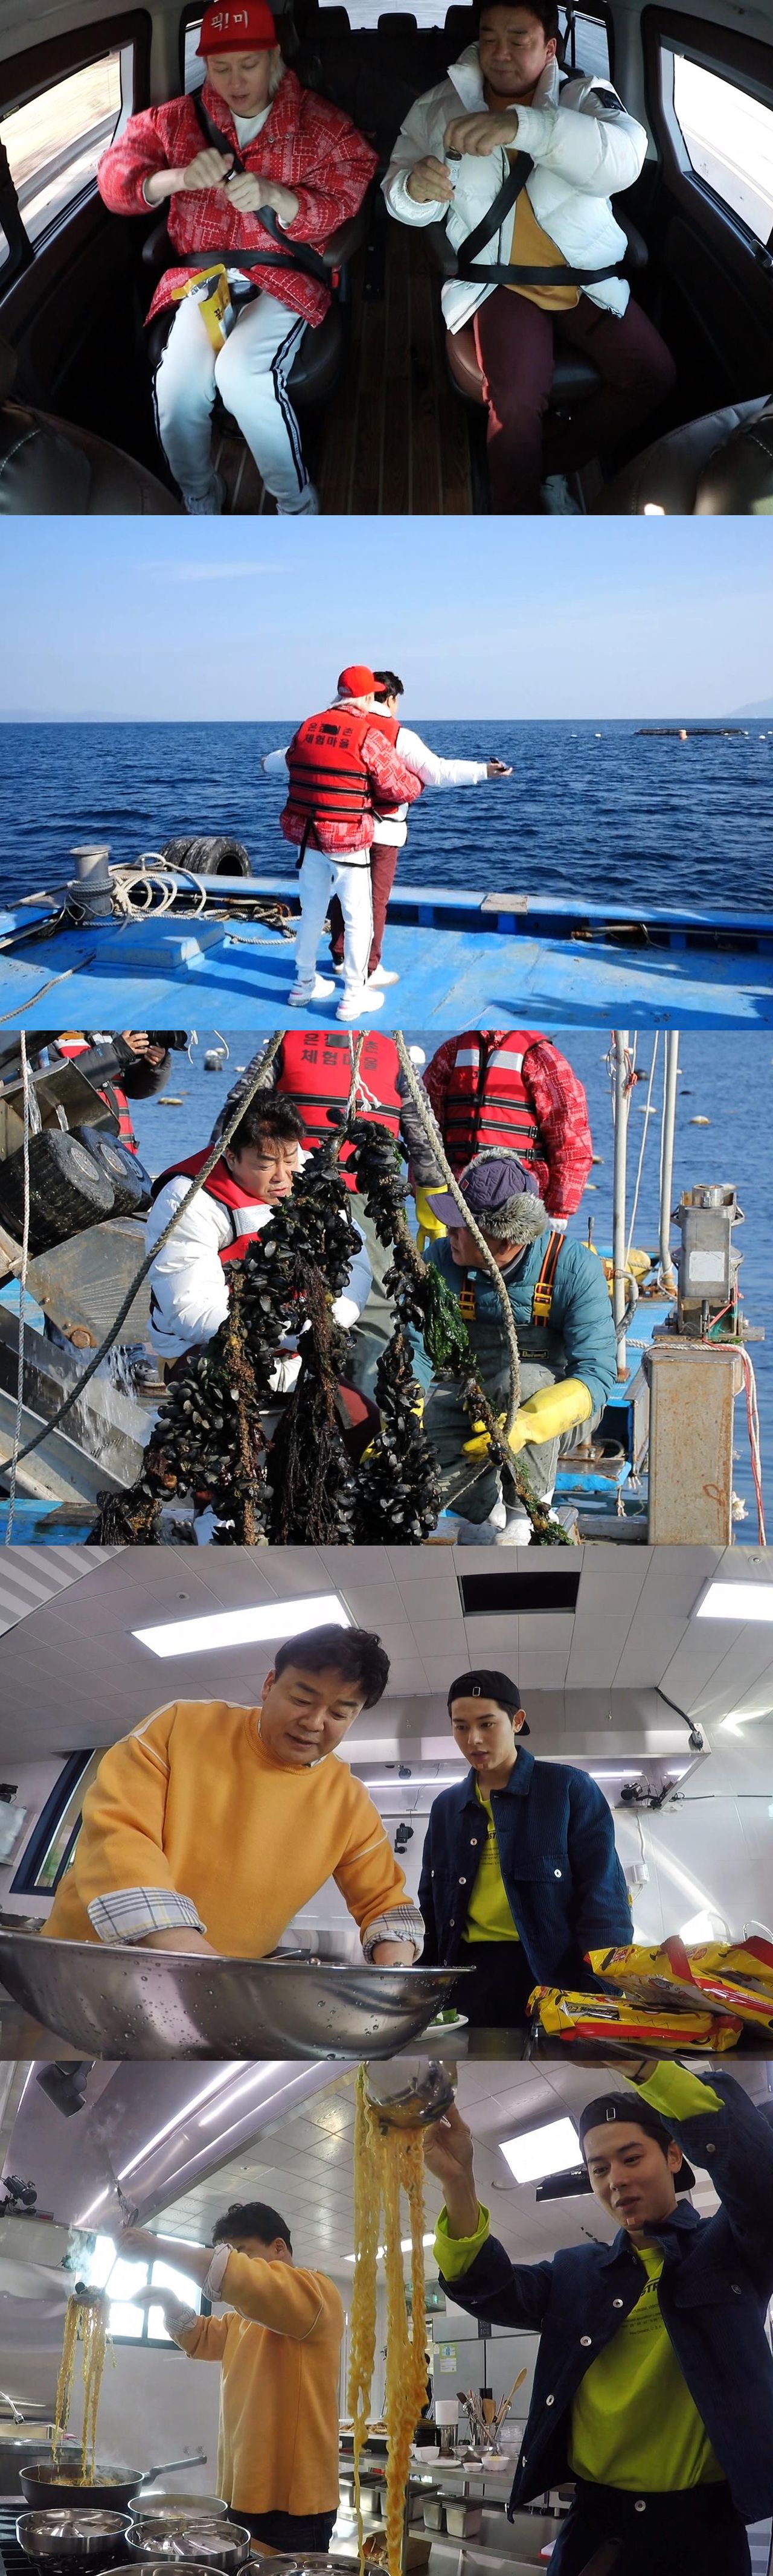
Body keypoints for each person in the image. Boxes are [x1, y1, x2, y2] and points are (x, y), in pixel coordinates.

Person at [424, 2063, 773, 2574]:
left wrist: (647, 2065)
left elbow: (761, 2183)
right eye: (599, 2169)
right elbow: (487, 2285)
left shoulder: (729, 2248)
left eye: (632, 2158)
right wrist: (458, 2183)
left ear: (675, 2155)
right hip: (596, 2524)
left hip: (703, 2527)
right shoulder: (575, 2273)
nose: (617, 2180)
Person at [383, 0, 676, 514]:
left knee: (652, 374)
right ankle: (514, 517)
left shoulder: (584, 98)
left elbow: (625, 158)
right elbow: (399, 199)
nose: (500, 52)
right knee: (516, 404)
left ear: (550, 47)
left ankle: (552, 465)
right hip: (498, 281)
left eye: (518, 39)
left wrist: (528, 128)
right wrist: (413, 189)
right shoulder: (436, 107)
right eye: (489, 36)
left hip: (584, 277)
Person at [97, 0, 376, 515]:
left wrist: (277, 196)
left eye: (248, 64)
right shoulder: (176, 122)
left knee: (245, 376)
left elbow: (348, 197)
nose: (235, 80)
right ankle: (200, 494)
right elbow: (115, 178)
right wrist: (174, 179)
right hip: (204, 280)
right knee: (177, 385)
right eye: (221, 67)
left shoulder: (323, 125)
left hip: (284, 277)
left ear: (274, 57)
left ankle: (295, 505)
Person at [42, 1620, 424, 1962]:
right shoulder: (182, 1727)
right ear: (269, 1684)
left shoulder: (349, 1801)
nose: (313, 1722)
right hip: (90, 1961)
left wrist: (394, 1980)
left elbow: (384, 1903)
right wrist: (193, 1955)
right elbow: (119, 1835)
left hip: (217, 1996)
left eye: (340, 1714)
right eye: (302, 1700)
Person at [416, 1146, 617, 1540]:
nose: (450, 1234)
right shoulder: (440, 1259)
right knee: (416, 1451)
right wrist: (405, 1412)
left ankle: (528, 1512)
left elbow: (596, 1376)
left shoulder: (574, 1267)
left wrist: (530, 1424)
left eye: (463, 1227)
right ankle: (487, 1509)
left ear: (505, 1237)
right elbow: (417, 1349)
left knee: (522, 1382)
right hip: (468, 1397)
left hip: (548, 1409)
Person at [210, 1034, 425, 1397]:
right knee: (300, 1292)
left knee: (370, 1307)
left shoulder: (390, 1049)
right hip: (295, 1196)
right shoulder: (288, 1041)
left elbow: (237, 1107)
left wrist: (432, 1187)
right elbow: (243, 1112)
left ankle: (355, 1403)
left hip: (364, 1201)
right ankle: (308, 1390)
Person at [122, 2200, 344, 2552]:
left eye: (243, 2251)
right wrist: (169, 2302)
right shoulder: (243, 2319)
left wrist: (159, 2247)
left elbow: (247, 2281)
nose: (236, 2261)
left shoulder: (316, 2294)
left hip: (294, 2503)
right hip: (242, 2488)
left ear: (279, 2247)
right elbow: (202, 2337)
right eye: (231, 2254)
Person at [419, 1665, 630, 2023]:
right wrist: (422, 1986)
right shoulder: (446, 1807)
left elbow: (604, 1896)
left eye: (487, 1724)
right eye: (461, 1726)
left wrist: (600, 1992)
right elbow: (431, 1905)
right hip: (465, 1977)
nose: (473, 1740)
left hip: (551, 1975)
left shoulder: (567, 1789)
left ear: (516, 1721)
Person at [143, 1092, 370, 1377]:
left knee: (363, 1419)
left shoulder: (311, 1176)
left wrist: (329, 1322)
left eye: (289, 1160)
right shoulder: (187, 1199)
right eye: (264, 1166)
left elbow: (355, 1260)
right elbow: (190, 1309)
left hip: (300, 1349)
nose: (281, 1176)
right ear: (229, 1154)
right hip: (203, 1350)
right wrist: (285, 1334)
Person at [324, 673, 512, 987]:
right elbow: (437, 771)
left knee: (345, 893)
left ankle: (341, 956)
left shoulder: (341, 727)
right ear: (392, 699)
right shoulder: (400, 736)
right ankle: (369, 968)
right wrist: (485, 771)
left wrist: (266, 763)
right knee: (375, 900)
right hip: (382, 832)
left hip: (342, 829)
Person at [271, 664, 423, 1018]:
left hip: (308, 840)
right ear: (368, 696)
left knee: (312, 913)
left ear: (340, 694)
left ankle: (303, 985)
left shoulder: (307, 727)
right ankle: (354, 995)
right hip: (347, 840)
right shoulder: (366, 734)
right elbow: (400, 787)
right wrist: (417, 783)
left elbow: (292, 761)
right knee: (359, 918)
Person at [406, 1028, 593, 1239]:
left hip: (520, 1201)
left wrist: (559, 1209)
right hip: (460, 1196)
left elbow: (570, 1136)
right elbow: (425, 1128)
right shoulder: (453, 1052)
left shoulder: (541, 1057)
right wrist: (423, 1186)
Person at [52, 1033, 173, 1152]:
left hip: (120, 1156)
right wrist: (115, 1053)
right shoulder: (44, 1041)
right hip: (78, 1156)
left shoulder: (106, 1036)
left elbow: (136, 1090)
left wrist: (152, 1066)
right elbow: (56, 1088)